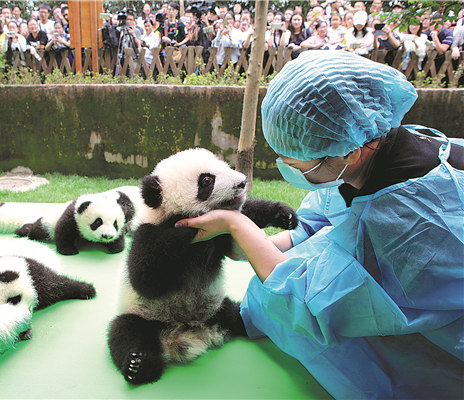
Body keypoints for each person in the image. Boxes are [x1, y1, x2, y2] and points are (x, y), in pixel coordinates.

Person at [175, 50, 464, 399]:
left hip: (449, 342)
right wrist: (265, 244)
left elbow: (306, 297)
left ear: (350, 151)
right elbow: (325, 215)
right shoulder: (384, 144)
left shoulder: (404, 224)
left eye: (298, 163)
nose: (291, 168)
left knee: (288, 310)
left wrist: (237, 226)